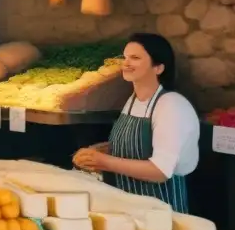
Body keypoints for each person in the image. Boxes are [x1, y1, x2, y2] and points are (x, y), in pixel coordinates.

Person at [73, 33, 199, 212]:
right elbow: (138, 145)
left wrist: (105, 162)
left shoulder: (171, 105)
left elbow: (160, 171)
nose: (126, 63)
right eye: (125, 57)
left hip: (160, 212)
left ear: (158, 68)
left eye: (135, 58)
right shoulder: (132, 101)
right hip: (127, 207)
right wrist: (101, 150)